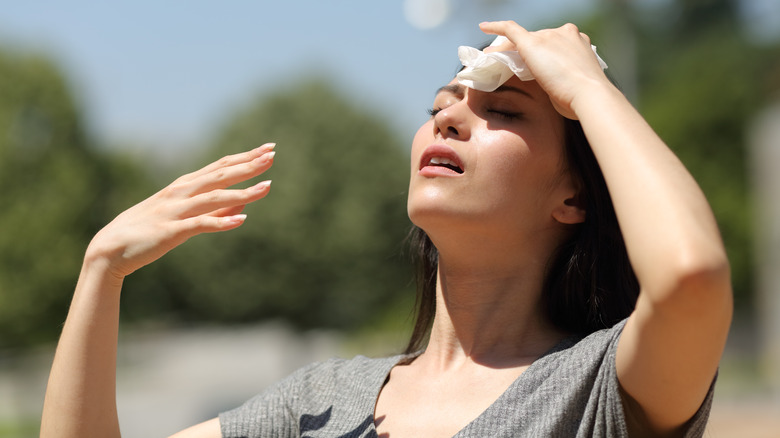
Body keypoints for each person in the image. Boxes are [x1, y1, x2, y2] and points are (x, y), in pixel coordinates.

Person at [40, 21, 732, 437]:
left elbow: (689, 276)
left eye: (507, 112)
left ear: (574, 198)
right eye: (440, 104)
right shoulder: (319, 402)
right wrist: (102, 270)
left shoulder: (600, 389)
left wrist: (587, 85)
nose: (450, 118)